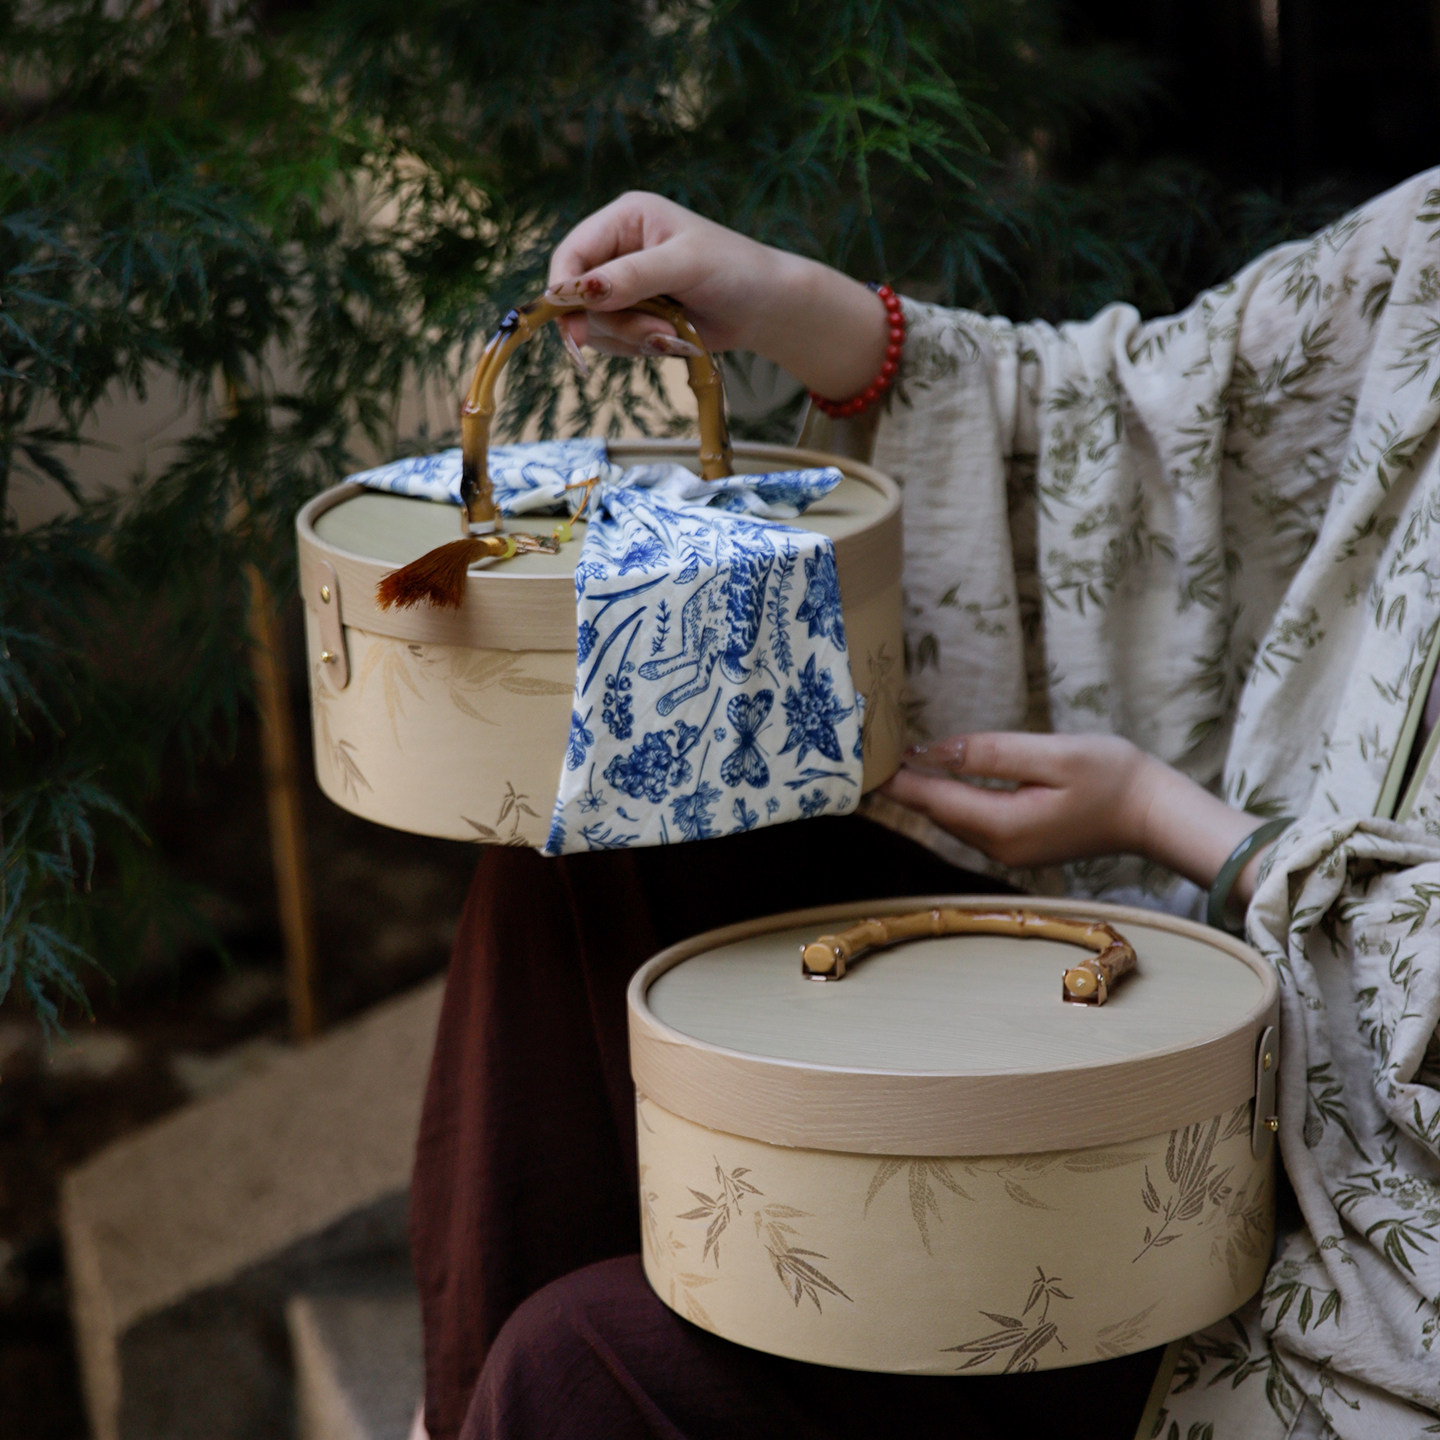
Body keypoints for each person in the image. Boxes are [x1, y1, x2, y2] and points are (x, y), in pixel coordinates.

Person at [410, 173, 1440, 1440]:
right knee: (587, 858)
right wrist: (785, 300)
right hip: (1216, 935)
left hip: (1360, 1229)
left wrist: (1167, 819)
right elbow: (1162, 415)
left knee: (579, 1370)